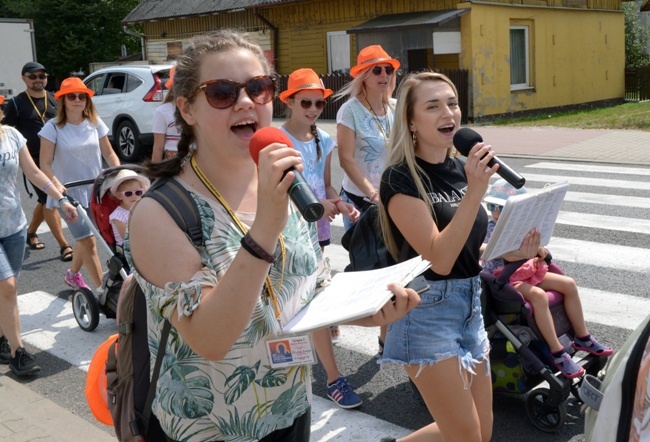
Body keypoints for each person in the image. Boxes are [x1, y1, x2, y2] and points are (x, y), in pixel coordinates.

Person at [126, 29, 419, 442]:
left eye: (259, 87)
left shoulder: (283, 181)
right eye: (222, 92)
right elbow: (210, 338)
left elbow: (314, 290)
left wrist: (372, 311)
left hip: (292, 411)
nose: (246, 102)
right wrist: (265, 226)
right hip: (207, 429)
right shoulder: (159, 212)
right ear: (186, 110)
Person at [376, 71, 526, 442]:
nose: (448, 113)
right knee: (466, 436)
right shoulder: (400, 179)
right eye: (433, 106)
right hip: (425, 312)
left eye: (452, 103)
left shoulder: (461, 169)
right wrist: (476, 190)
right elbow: (439, 259)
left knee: (479, 431)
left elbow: (468, 249)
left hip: (470, 305)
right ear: (410, 121)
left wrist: (510, 250)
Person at [279, 68, 361, 408]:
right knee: (309, 302)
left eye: (318, 102)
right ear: (290, 102)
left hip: (319, 232)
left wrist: (339, 202)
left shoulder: (323, 140)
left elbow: (326, 183)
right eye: (306, 102)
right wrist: (323, 204)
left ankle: (322, 338)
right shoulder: (277, 141)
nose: (313, 109)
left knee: (315, 298)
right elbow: (278, 193)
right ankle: (332, 379)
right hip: (289, 232)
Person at [482, 179, 613, 379]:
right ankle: (556, 350)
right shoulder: (492, 228)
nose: (496, 212)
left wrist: (538, 250)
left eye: (501, 207)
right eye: (491, 206)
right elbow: (497, 252)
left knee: (568, 284)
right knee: (538, 296)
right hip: (504, 278)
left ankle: (582, 336)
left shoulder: (523, 227)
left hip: (525, 271)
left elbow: (540, 250)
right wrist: (526, 252)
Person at [0, 95, 78, 376]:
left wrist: (60, 199)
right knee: (7, 286)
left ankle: (3, 336)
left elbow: (33, 172)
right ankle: (17, 352)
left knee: (7, 288)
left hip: (14, 226)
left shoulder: (11, 136)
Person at [335, 44, 400, 358]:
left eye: (388, 69)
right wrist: (372, 195)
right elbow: (346, 160)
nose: (384, 74)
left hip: (392, 201)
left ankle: (386, 342)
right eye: (377, 69)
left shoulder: (396, 107)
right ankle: (338, 319)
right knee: (371, 271)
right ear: (362, 75)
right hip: (361, 202)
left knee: (394, 270)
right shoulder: (350, 110)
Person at [39, 77, 120, 291]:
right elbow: (44, 164)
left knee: (85, 237)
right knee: (89, 241)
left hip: (95, 189)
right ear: (63, 101)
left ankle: (73, 274)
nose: (77, 100)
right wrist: (56, 185)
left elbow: (109, 153)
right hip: (67, 193)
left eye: (81, 96)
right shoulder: (52, 128)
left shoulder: (95, 123)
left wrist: (119, 175)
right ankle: (103, 292)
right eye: (72, 96)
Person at [1, 61, 72, 261]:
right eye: (32, 76)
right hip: (32, 160)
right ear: (24, 79)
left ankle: (31, 232)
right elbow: (6, 133)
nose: (38, 80)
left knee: (46, 198)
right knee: (50, 198)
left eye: (42, 76)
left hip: (56, 158)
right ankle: (64, 245)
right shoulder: (16, 103)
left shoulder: (55, 99)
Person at [108, 169, 150, 247]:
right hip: (128, 247)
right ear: (119, 196)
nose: (134, 196)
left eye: (138, 192)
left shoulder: (142, 208)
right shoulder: (118, 216)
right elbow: (127, 238)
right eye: (128, 193)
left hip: (143, 241)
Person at [151, 66, 180, 162]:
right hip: (172, 165)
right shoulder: (163, 111)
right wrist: (155, 174)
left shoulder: (198, 109)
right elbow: (158, 148)